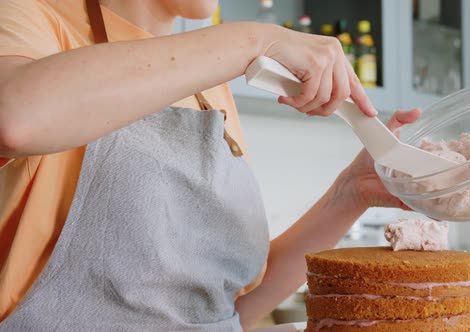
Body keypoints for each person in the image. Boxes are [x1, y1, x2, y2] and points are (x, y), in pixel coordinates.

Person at [0, 0, 419, 330]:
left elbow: (224, 307)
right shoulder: (29, 18)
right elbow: (15, 117)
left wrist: (351, 191)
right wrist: (256, 41)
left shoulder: (209, 88)